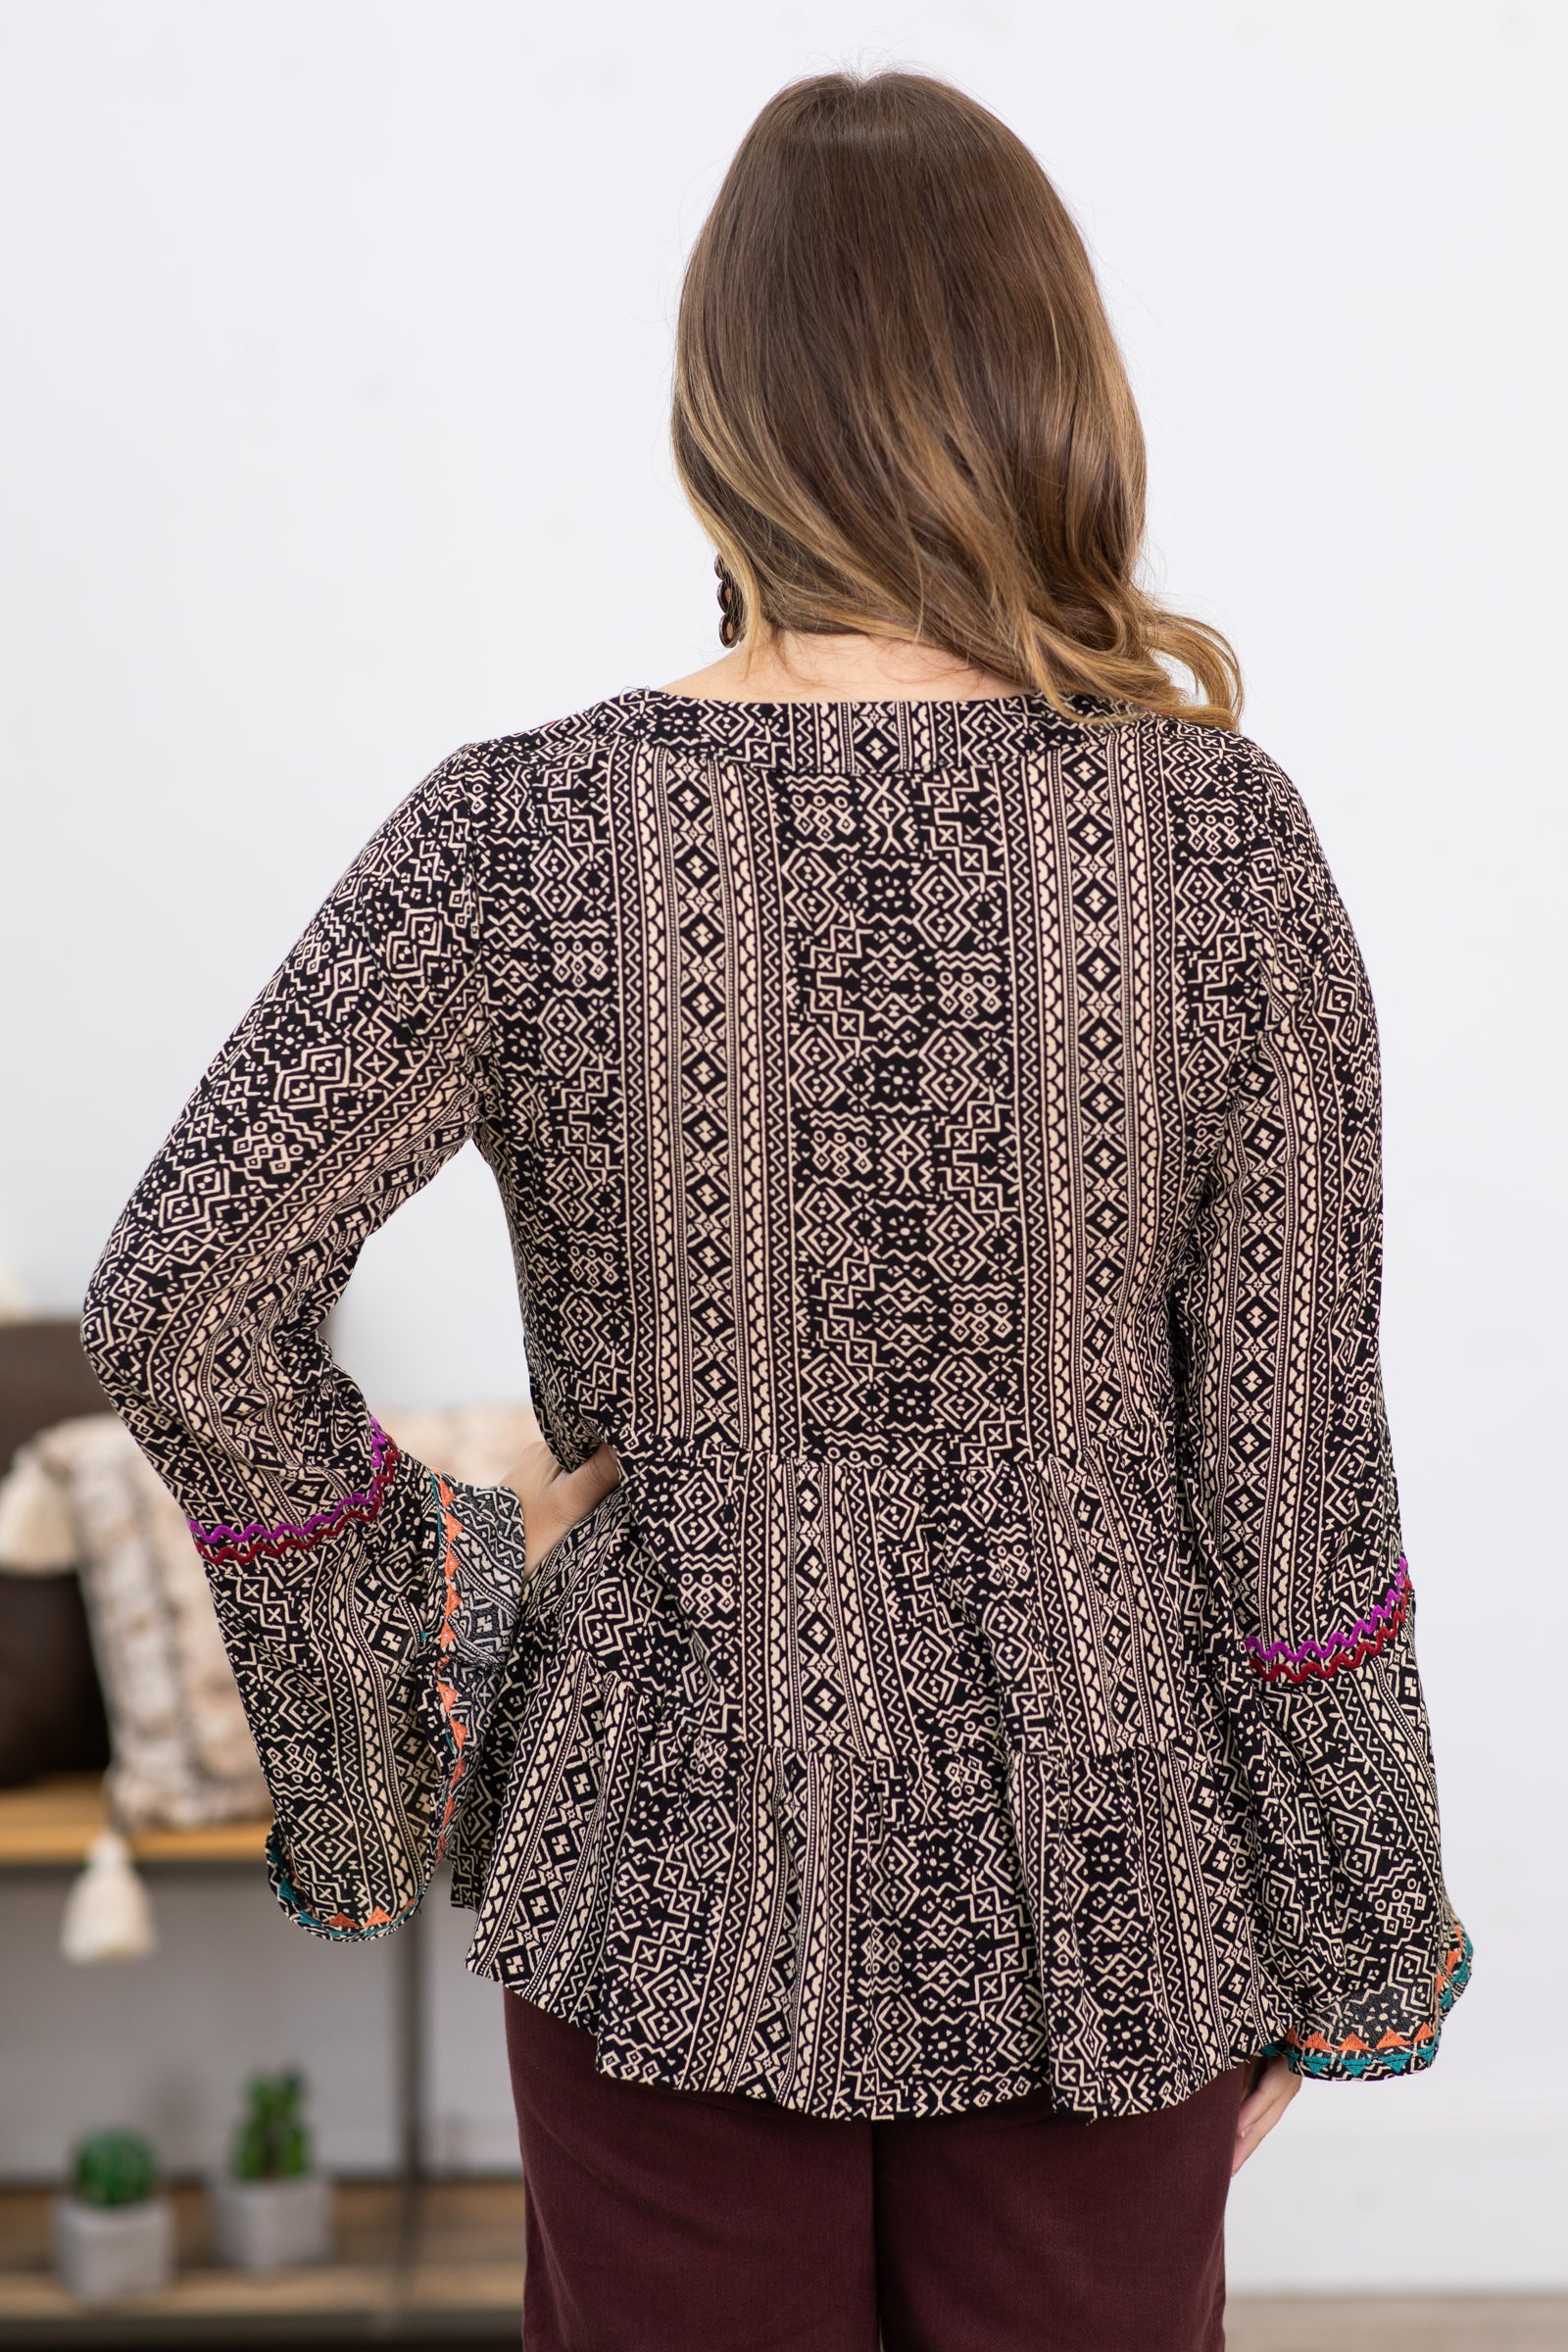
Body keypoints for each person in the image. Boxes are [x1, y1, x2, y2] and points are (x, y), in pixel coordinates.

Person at [80, 67, 1468, 2352]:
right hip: (1115, 1874)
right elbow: (1292, 1470)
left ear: (719, 415)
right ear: (1051, 384)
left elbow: (176, 1302)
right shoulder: (1221, 846)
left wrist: (433, 1620)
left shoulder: (523, 832)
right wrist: (1344, 1928)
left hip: (660, 1842)